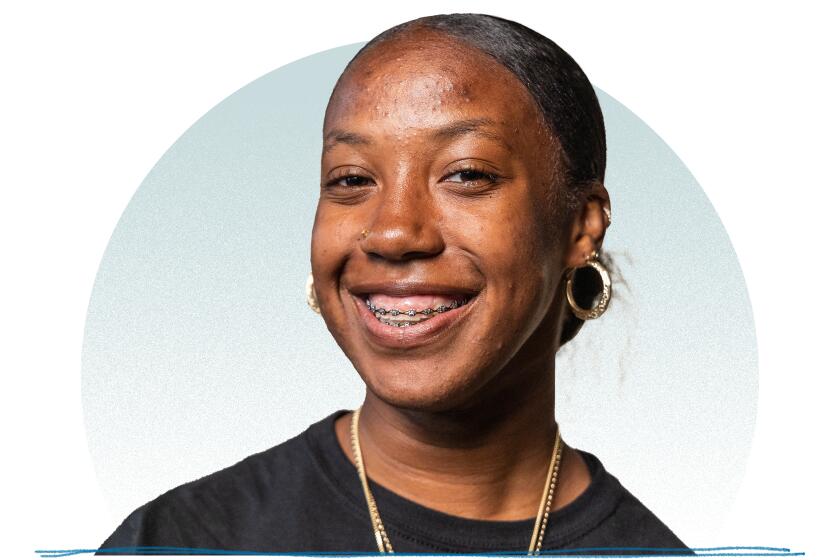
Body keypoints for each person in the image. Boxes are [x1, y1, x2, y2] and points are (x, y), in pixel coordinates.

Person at [98, 13, 691, 555]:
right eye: (352, 179)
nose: (392, 232)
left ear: (579, 227)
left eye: (465, 174)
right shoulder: (178, 542)